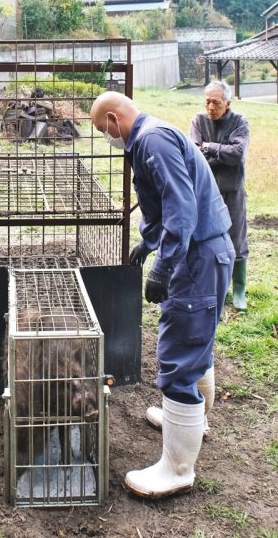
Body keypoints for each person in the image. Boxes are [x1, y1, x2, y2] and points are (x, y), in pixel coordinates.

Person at [90, 92, 234, 499]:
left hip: (197, 255)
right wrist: (149, 241)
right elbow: (163, 207)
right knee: (196, 342)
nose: (107, 138)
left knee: (181, 352)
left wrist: (164, 265)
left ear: (116, 119)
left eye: (104, 131)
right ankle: (192, 419)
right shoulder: (153, 134)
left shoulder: (151, 141)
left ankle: (177, 469)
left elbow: (181, 207)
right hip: (205, 251)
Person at [189, 80, 250, 310]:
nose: (210, 107)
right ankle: (218, 286)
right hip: (207, 191)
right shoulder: (198, 121)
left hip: (232, 190)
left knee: (236, 237)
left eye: (215, 102)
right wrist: (215, 152)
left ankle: (239, 290)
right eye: (207, 102)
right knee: (206, 236)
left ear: (227, 103)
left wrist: (210, 147)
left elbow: (237, 154)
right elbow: (194, 153)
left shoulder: (239, 122)